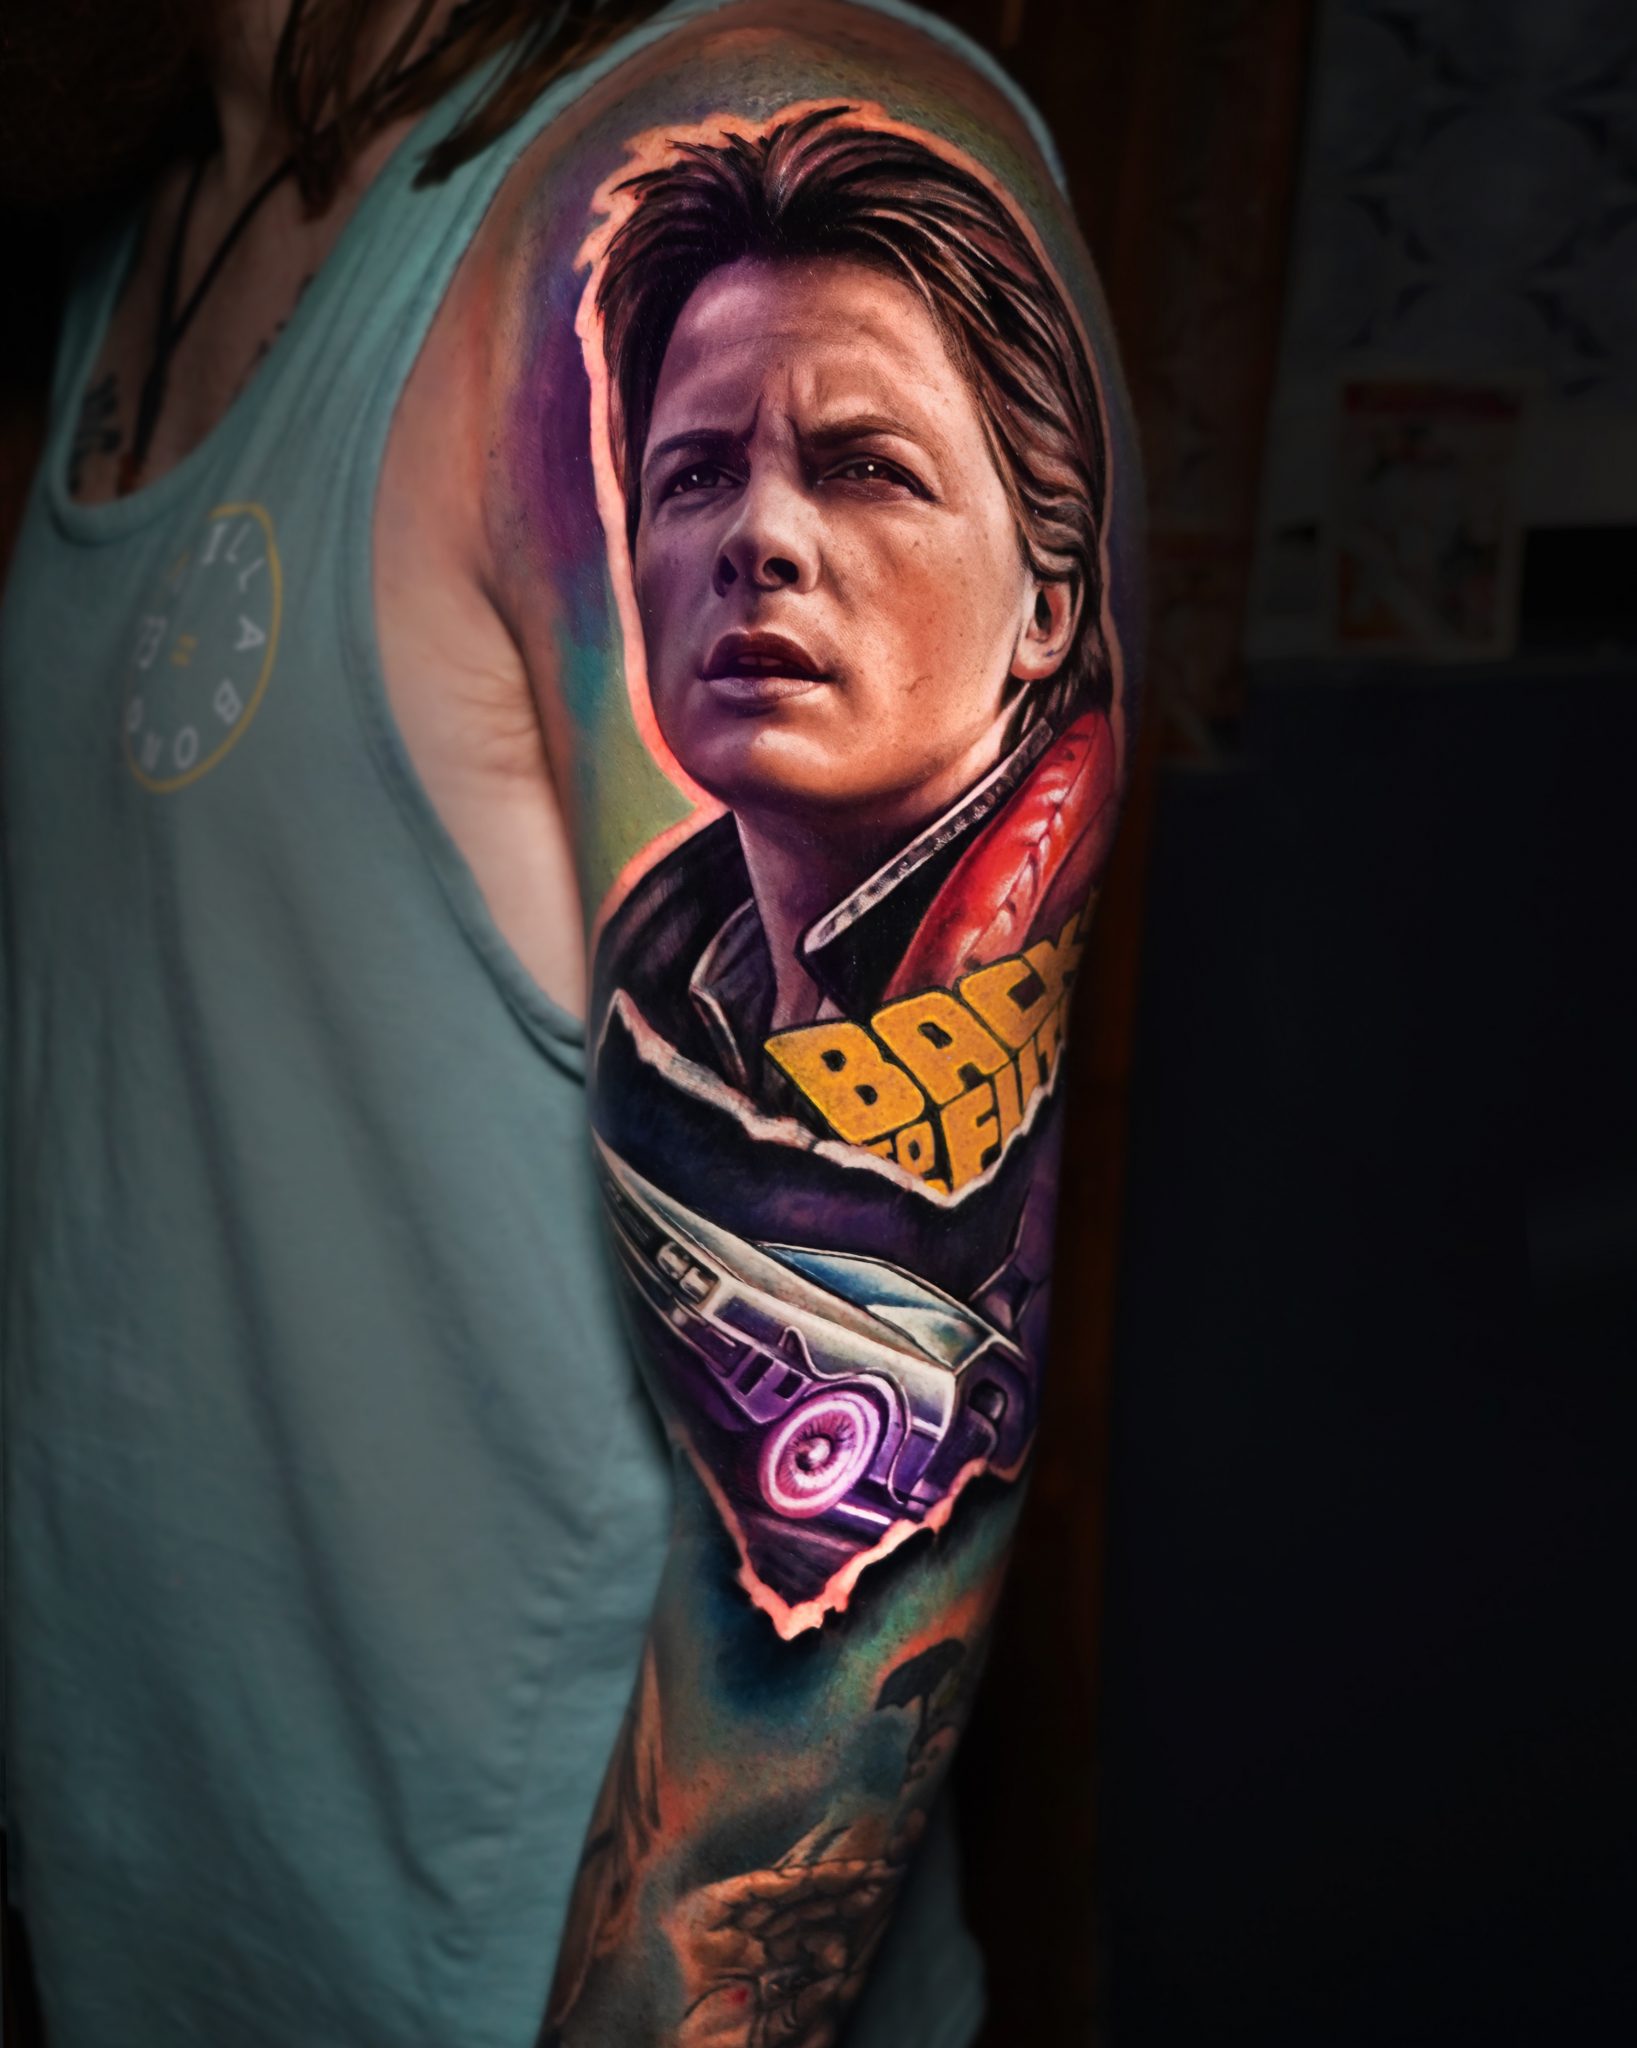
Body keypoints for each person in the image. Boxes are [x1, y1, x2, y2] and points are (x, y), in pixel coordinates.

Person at [0, 2, 1141, 2044]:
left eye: (851, 469)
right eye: (702, 473)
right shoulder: (146, 220)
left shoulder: (719, 142)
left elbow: (867, 1524)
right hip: (159, 1921)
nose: (766, 531)